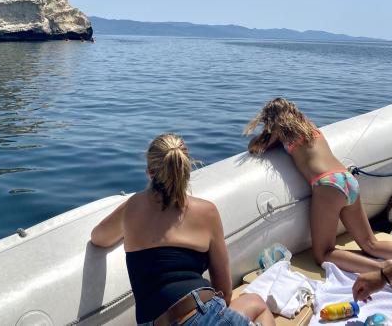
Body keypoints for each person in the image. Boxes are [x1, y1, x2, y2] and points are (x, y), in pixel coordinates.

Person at [91, 133, 275, 326]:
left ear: (150, 172)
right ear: (186, 169)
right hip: (202, 312)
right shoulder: (206, 212)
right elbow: (225, 292)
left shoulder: (131, 207)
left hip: (153, 322)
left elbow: (98, 237)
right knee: (257, 303)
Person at [245, 98, 392, 295]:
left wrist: (267, 132)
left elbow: (254, 147)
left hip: (327, 184)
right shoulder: (310, 127)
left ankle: (383, 269)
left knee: (323, 254)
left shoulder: (279, 131)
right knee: (371, 243)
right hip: (347, 179)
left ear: (271, 119)